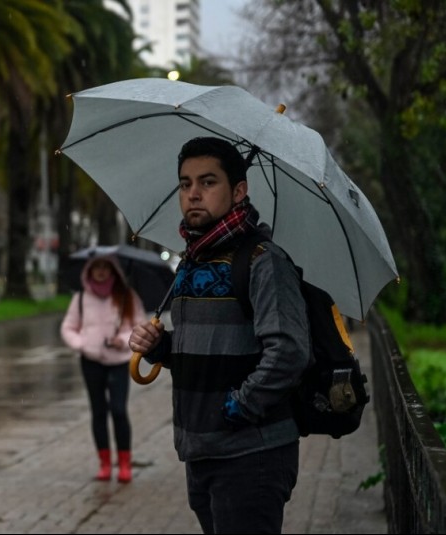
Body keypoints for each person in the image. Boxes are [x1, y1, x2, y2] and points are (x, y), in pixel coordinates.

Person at [128, 137, 311, 534]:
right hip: (201, 452)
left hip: (251, 454)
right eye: (185, 183)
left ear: (239, 190)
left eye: (208, 182)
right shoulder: (194, 261)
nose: (193, 194)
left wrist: (237, 408)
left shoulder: (264, 261)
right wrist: (162, 348)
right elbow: (207, 348)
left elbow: (289, 352)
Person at [60, 254, 146, 483]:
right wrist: (83, 344)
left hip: (118, 361)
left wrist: (125, 338)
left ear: (113, 271)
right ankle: (105, 463)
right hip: (91, 361)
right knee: (99, 412)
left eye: (105, 267)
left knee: (118, 410)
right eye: (96, 267)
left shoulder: (127, 296)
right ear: (89, 271)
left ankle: (125, 463)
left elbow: (140, 325)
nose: (100, 271)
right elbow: (68, 327)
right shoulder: (80, 299)